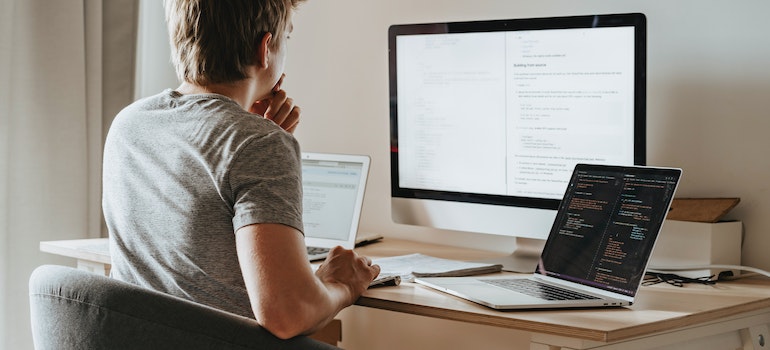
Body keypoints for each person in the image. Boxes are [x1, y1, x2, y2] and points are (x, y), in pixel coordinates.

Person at [102, 0, 380, 340]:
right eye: (286, 38)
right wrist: (340, 286)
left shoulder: (129, 124)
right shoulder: (258, 143)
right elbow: (287, 315)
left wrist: (251, 124)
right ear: (265, 49)